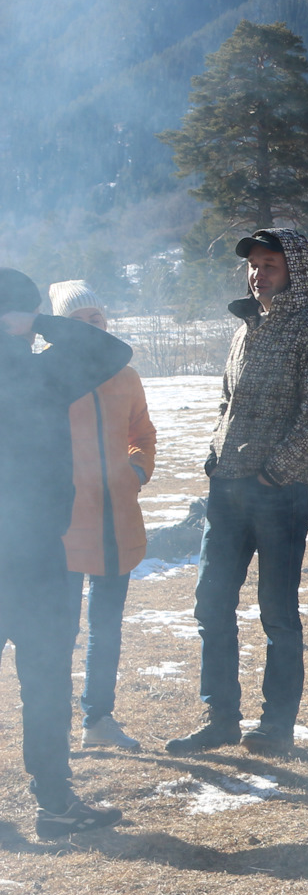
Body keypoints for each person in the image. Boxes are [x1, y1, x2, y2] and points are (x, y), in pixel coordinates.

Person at [168, 228, 308, 758]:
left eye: (270, 264)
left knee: (276, 613)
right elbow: (228, 400)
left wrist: (276, 472)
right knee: (211, 602)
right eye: (254, 265)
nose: (258, 273)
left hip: (281, 494)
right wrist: (215, 452)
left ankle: (276, 726)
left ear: (296, 270)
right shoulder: (248, 327)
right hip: (226, 490)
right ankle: (220, 717)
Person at [0, 268, 132, 837]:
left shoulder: (38, 375)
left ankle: (55, 803)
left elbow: (113, 349)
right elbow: (109, 348)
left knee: (49, 680)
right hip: (33, 559)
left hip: (38, 556)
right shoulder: (41, 373)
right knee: (47, 681)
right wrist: (44, 321)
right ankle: (54, 803)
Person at [50, 282, 156, 752]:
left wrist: (136, 469)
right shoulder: (43, 375)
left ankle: (99, 719)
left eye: (96, 318)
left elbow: (142, 433)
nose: (91, 327)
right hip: (62, 526)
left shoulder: (126, 376)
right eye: (78, 320)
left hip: (117, 519)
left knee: (106, 627)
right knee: (58, 629)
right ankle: (52, 726)